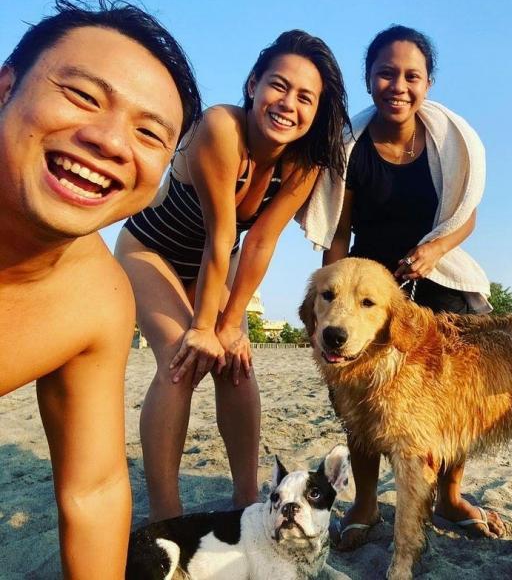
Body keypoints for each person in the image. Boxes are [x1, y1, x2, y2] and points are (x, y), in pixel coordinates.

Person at [0, 0, 201, 579]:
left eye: (149, 133)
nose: (112, 142)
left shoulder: (96, 299)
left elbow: (93, 489)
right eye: (84, 96)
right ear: (5, 88)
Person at [115, 30, 350, 522]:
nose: (288, 104)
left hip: (208, 268)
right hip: (150, 250)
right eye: (278, 86)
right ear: (252, 84)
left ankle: (246, 500)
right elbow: (222, 236)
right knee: (182, 360)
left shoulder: (302, 164)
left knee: (237, 365)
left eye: (305, 98)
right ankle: (166, 516)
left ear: (316, 111)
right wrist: (206, 327)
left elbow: (260, 241)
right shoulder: (220, 128)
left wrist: (232, 324)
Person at [304, 24, 498, 549]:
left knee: (462, 394)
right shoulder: (350, 148)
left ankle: (450, 496)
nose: (399, 85)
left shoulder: (449, 144)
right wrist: (331, 299)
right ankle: (366, 503)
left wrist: (432, 252)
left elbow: (466, 216)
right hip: (370, 285)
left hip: (437, 272)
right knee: (357, 397)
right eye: (386, 73)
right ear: (369, 80)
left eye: (412, 75)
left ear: (428, 83)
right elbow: (338, 232)